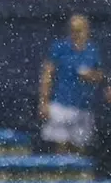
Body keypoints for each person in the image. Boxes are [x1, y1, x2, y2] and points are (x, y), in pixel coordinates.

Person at [39, 14, 103, 155]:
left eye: (80, 30)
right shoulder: (60, 47)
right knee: (60, 147)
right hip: (61, 103)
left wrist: (90, 75)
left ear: (87, 30)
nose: (76, 34)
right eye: (73, 30)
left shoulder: (92, 50)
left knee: (80, 149)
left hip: (83, 107)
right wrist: (44, 102)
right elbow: (47, 74)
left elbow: (100, 76)